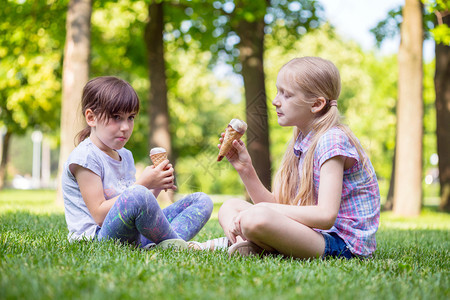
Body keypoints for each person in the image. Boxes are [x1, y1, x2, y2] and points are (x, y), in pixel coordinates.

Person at [218, 57, 380, 259]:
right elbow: (280, 205)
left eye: (286, 95)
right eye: (278, 91)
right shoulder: (303, 142)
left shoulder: (332, 140)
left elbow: (325, 216)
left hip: (343, 245)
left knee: (256, 217)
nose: (275, 101)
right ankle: (247, 246)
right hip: (315, 235)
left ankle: (249, 245)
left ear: (317, 104)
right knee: (229, 207)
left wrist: (263, 209)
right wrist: (245, 169)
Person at [62, 76, 213, 250]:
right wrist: (143, 184)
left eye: (131, 117)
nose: (125, 127)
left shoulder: (125, 155)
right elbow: (100, 216)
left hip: (132, 236)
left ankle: (168, 245)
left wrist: (155, 186)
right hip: (97, 239)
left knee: (202, 201)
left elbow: (138, 210)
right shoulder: (85, 156)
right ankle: (180, 246)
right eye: (116, 117)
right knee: (138, 194)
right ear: (91, 117)